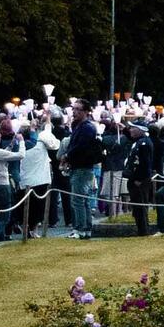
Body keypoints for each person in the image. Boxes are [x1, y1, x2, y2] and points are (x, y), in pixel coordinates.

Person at [62, 100, 103, 240]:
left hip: (82, 167)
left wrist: (67, 155)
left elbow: (80, 146)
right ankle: (85, 228)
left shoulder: (87, 128)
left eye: (78, 109)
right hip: (79, 166)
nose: (74, 112)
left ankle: (80, 228)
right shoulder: (80, 126)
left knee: (78, 200)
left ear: (86, 111)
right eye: (74, 109)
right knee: (82, 199)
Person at [20, 116, 59, 237]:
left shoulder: (20, 146)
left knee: (28, 207)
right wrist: (46, 123)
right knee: (38, 209)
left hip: (25, 180)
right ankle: (34, 230)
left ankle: (27, 228)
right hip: (40, 180)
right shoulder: (40, 144)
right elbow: (51, 140)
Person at [123, 119, 155, 237]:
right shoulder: (139, 141)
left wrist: (139, 179)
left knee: (140, 205)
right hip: (134, 179)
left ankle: (143, 230)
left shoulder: (144, 143)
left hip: (139, 180)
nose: (130, 130)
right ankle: (140, 229)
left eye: (133, 128)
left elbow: (145, 163)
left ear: (140, 130)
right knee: (137, 206)